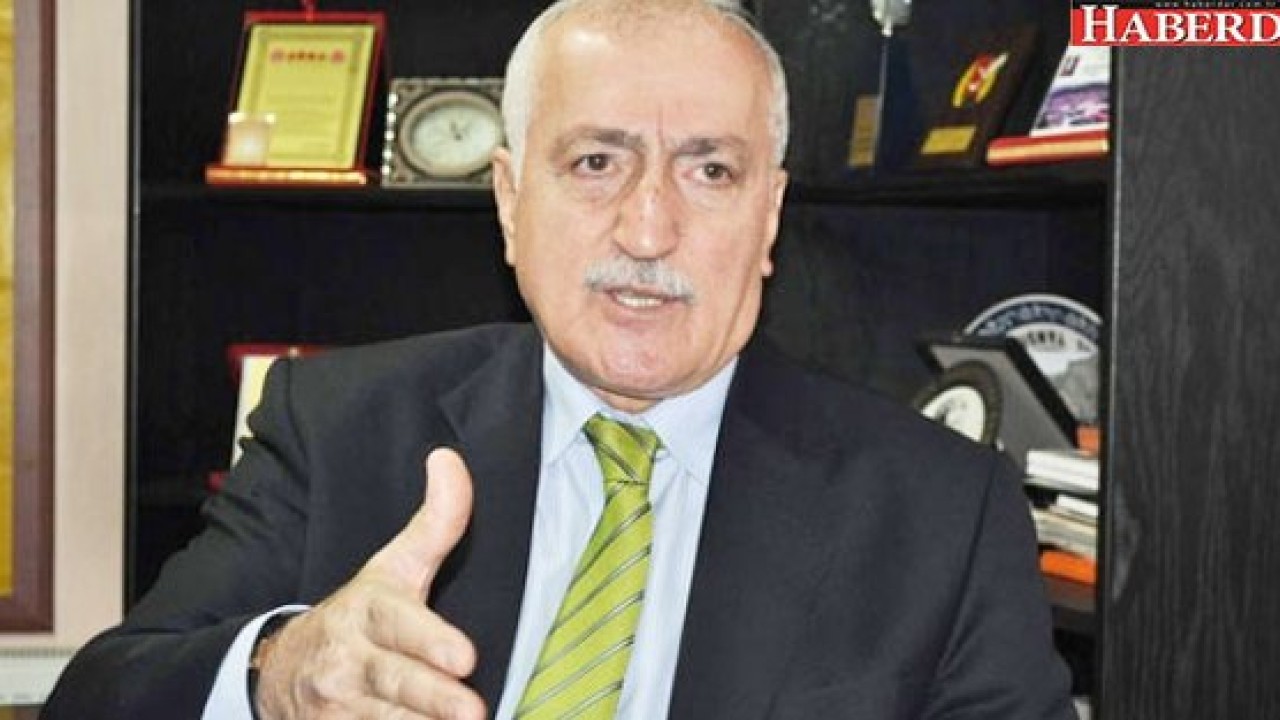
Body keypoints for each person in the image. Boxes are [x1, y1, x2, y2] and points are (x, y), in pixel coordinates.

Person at [43, 0, 1077, 718]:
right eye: (595, 161)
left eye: (709, 171)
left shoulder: (941, 510)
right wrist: (276, 674)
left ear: (768, 217)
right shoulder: (339, 426)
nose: (647, 228)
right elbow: (99, 696)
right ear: (508, 202)